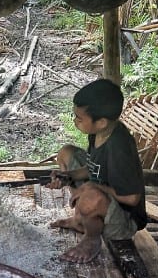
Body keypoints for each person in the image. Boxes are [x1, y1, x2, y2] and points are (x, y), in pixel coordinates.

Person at [47, 78, 147, 263]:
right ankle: (82, 219)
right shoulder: (99, 132)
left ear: (101, 121)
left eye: (79, 118)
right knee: (66, 153)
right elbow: (94, 168)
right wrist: (68, 176)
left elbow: (132, 198)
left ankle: (92, 237)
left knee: (91, 195)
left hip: (123, 220)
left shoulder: (119, 148)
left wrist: (92, 187)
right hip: (104, 199)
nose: (75, 121)